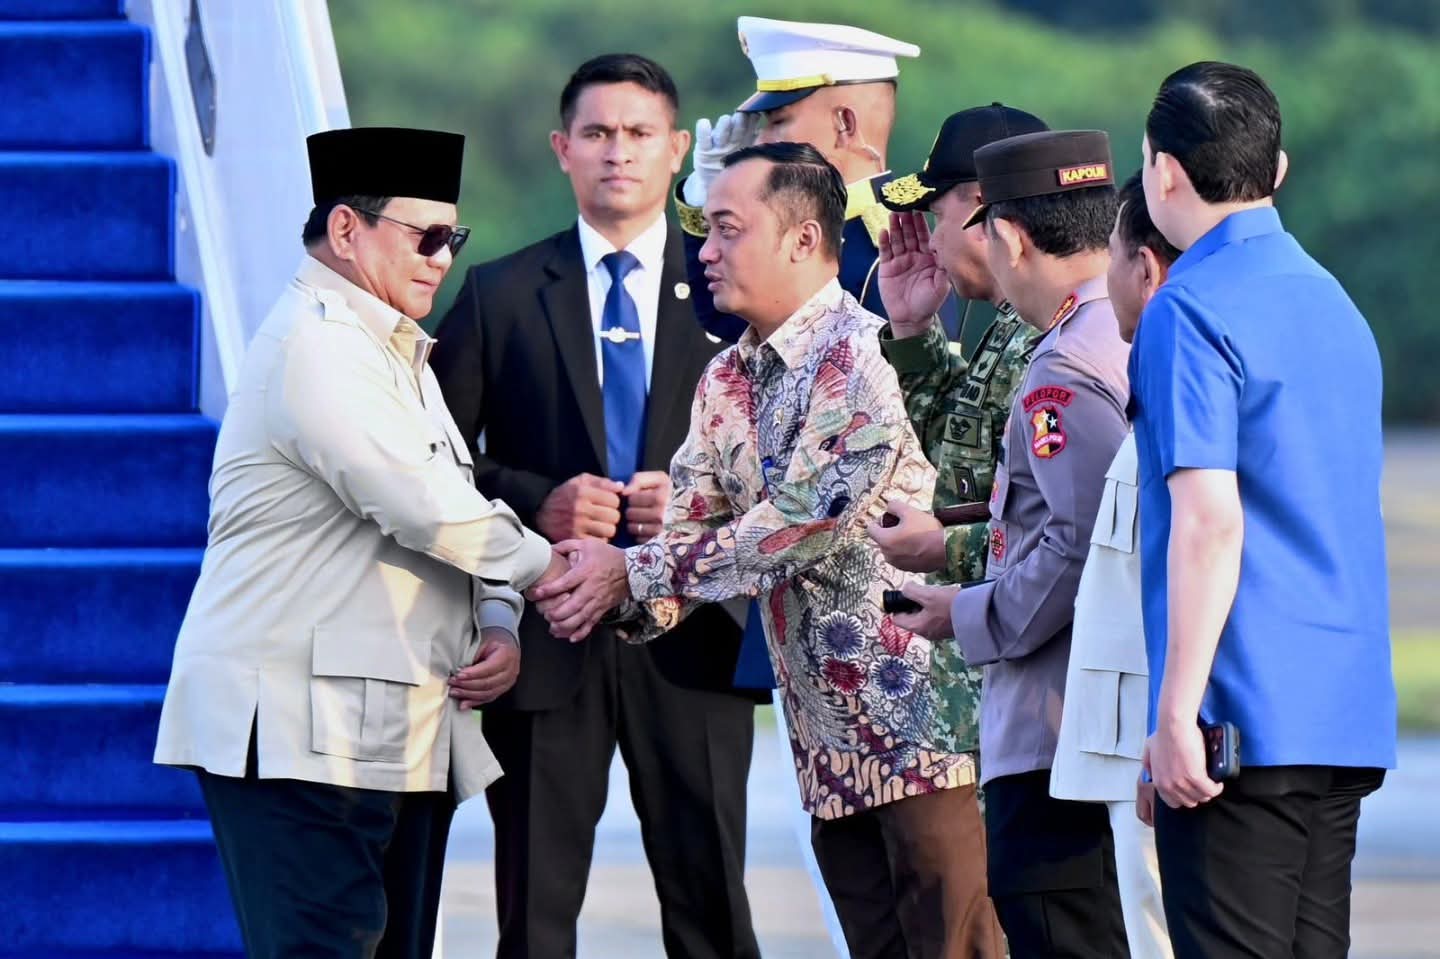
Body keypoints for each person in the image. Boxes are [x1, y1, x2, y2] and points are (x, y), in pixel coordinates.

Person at [533, 142, 1005, 959]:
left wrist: (628, 571)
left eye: (727, 229)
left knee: (960, 949)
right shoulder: (726, 377)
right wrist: (592, 589)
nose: (705, 253)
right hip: (827, 747)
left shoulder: (867, 355)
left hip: (926, 736)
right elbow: (689, 531)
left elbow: (803, 520)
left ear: (803, 239)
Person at [153, 126, 567, 959]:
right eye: (426, 236)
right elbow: (422, 506)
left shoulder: (392, 349)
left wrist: (499, 619)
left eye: (454, 238)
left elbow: (456, 499)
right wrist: (560, 568)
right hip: (301, 737)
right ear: (346, 229)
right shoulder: (317, 344)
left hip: (392, 731)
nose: (442, 259)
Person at [430, 55, 761, 959]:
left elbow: (792, 461)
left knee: (713, 911)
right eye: (598, 133)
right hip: (549, 636)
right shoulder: (499, 293)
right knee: (534, 918)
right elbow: (433, 459)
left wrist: (692, 502)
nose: (619, 152)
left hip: (694, 634)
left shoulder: (733, 292)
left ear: (677, 148)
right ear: (562, 149)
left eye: (640, 133)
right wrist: (538, 500)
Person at [1131, 60, 1395, 959]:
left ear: (1165, 172)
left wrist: (1174, 715)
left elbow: (1209, 521)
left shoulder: (1189, 308)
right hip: (1341, 712)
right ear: (1276, 170)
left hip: (1240, 719)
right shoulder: (1334, 301)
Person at [892, 130, 1131, 958]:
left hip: (1058, 728)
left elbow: (1076, 540)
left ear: (1011, 237)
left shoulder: (1065, 363)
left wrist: (966, 613)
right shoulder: (1131, 328)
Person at [866, 102, 1049, 757]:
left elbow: (1061, 529)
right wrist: (914, 330)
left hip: (1042, 687)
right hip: (997, 682)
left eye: (935, 216)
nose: (932, 242)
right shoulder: (1011, 322)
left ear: (979, 208)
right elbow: (964, 458)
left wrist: (945, 548)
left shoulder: (1055, 331)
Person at [1047, 172, 1178, 959]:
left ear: (1145, 269)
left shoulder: (1177, 380)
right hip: (1144, 738)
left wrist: (1170, 726)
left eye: (1114, 258)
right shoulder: (1152, 374)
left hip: (1161, 742)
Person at [675, 17, 933, 347]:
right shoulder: (799, 222)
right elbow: (725, 322)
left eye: (779, 122)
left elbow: (912, 373)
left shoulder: (890, 245)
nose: (762, 140)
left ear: (845, 123)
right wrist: (712, 196)